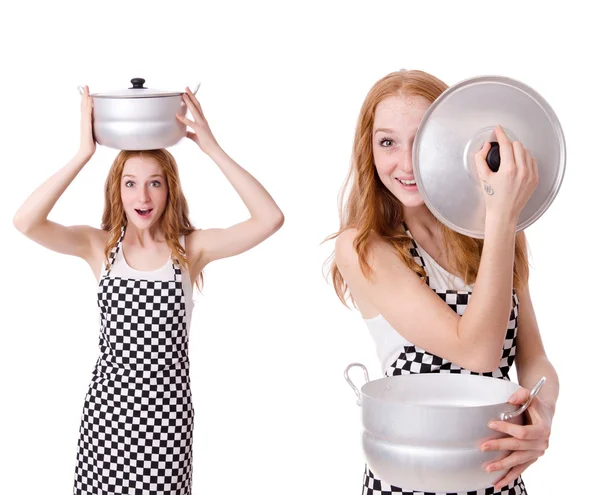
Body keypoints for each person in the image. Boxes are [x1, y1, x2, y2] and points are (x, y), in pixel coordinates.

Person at [13, 86, 284, 495]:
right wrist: (82, 153)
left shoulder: (191, 250)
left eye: (155, 183)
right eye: (131, 183)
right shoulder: (98, 247)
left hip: (167, 427)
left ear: (169, 189)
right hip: (106, 423)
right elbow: (25, 221)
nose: (143, 196)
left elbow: (270, 218)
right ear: (116, 191)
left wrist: (211, 147)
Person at [326, 70, 558, 495]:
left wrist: (541, 414)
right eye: (387, 142)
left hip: (496, 474)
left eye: (421, 140)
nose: (405, 162)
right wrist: (502, 215)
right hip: (411, 476)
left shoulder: (495, 230)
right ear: (369, 150)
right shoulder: (364, 247)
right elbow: (478, 353)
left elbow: (533, 357)